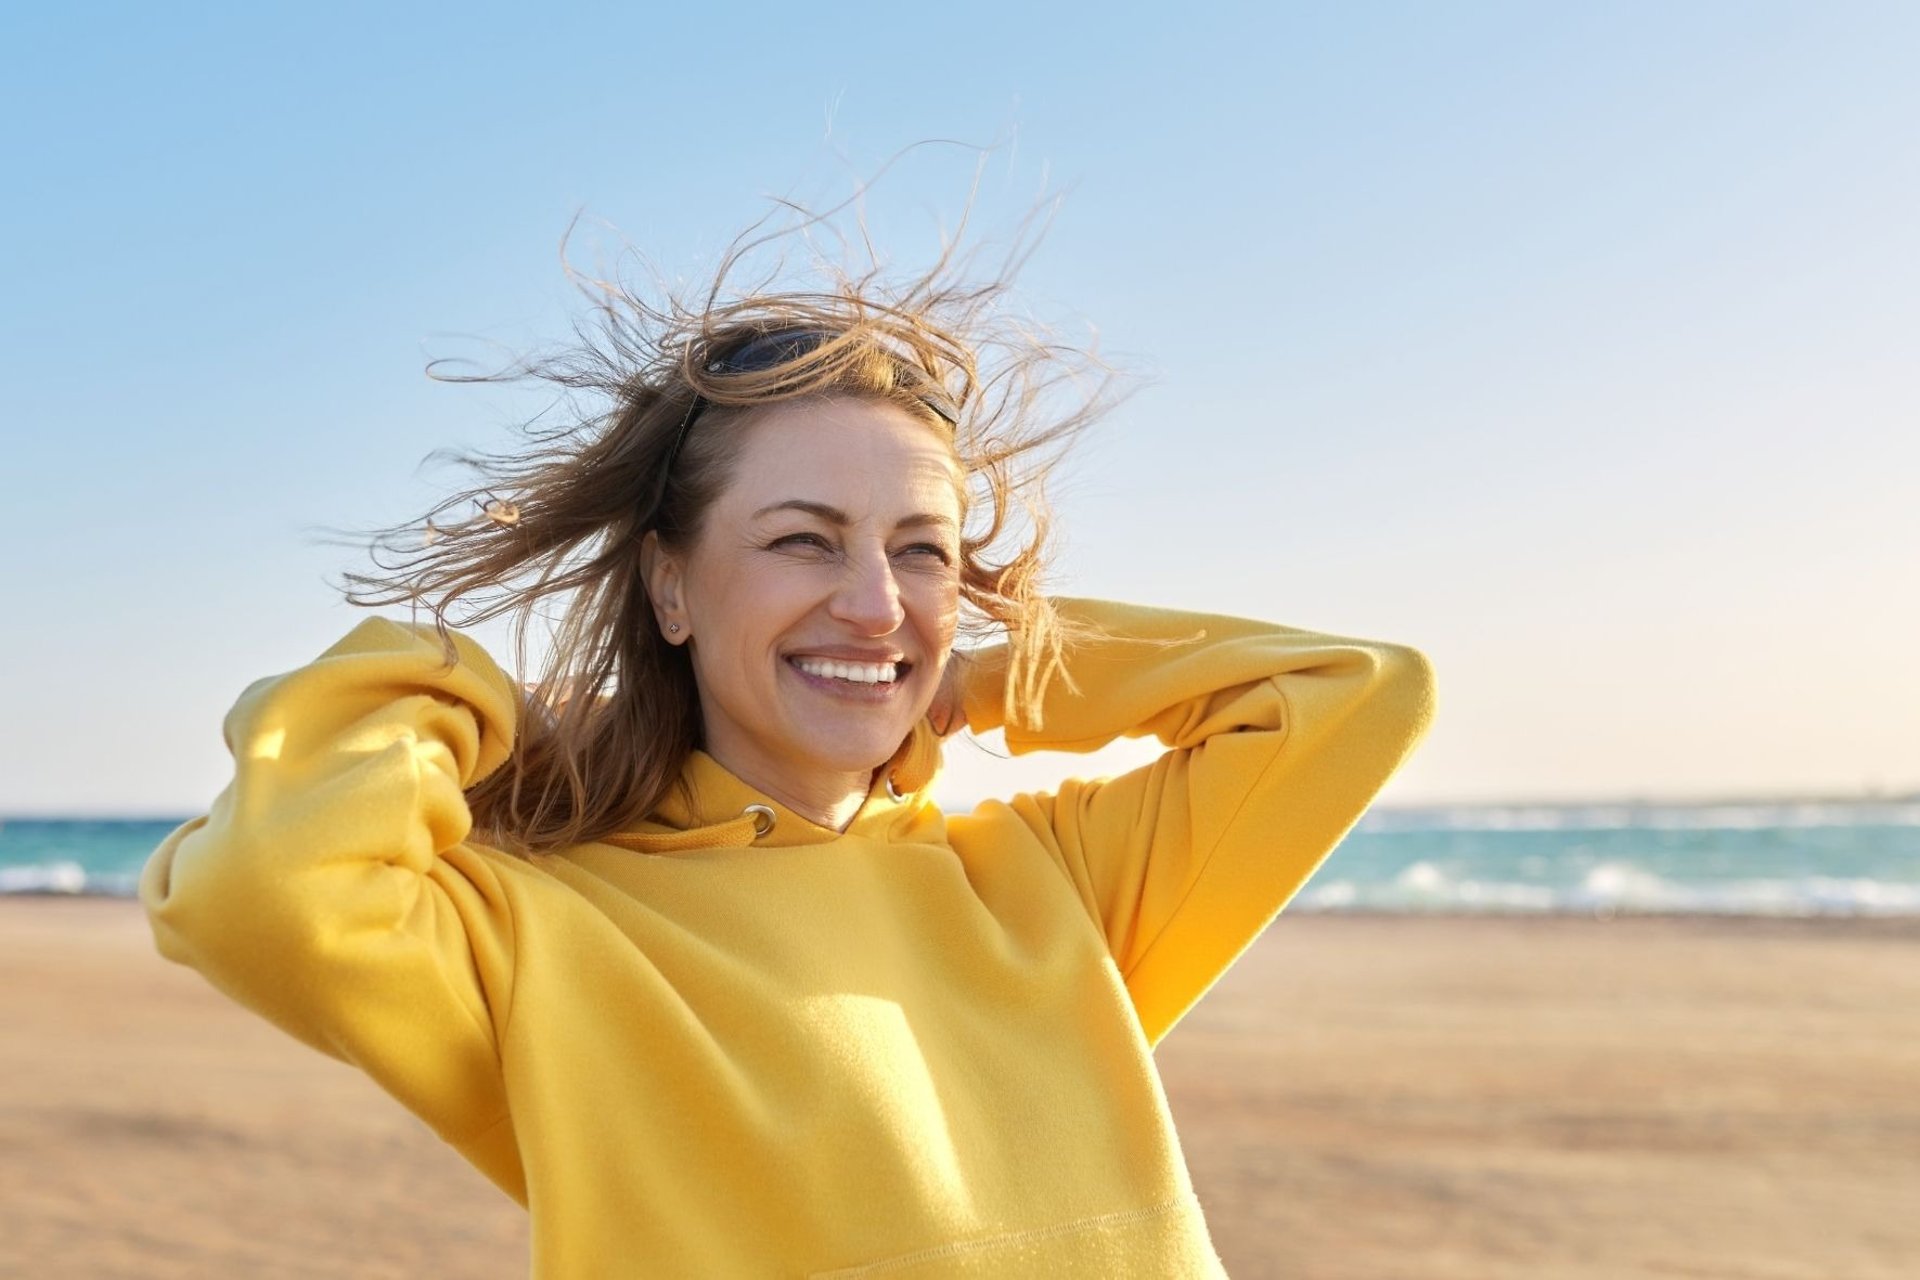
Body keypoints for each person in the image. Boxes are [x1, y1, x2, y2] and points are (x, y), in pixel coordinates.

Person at [138, 221, 1437, 1277]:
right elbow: (262, 895)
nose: (875, 602)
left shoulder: (1054, 882)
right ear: (670, 587)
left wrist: (986, 678)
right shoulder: (541, 929)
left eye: (920, 549)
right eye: (804, 539)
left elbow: (1349, 696)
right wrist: (495, 714)